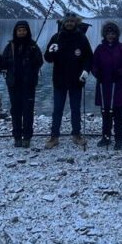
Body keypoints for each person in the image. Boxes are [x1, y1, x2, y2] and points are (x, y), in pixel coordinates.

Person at [43, 12, 94, 148]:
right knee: (57, 109)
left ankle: (76, 135)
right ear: (63, 23)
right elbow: (47, 58)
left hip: (76, 80)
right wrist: (51, 51)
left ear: (75, 23)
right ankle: (54, 137)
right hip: (59, 80)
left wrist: (86, 70)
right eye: (67, 21)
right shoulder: (56, 37)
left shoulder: (81, 38)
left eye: (72, 21)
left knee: (75, 108)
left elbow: (89, 57)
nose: (69, 23)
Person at [0, 20, 45, 148]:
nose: (22, 32)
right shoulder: (10, 46)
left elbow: (40, 62)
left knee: (28, 111)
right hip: (13, 84)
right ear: (15, 32)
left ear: (27, 31)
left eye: (24, 30)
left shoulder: (33, 46)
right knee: (15, 111)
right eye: (19, 30)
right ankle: (17, 137)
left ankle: (27, 137)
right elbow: (4, 65)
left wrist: (34, 57)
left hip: (29, 84)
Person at [91, 21, 122, 149]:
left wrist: (120, 72)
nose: (111, 36)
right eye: (108, 33)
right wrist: (97, 73)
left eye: (113, 33)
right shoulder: (99, 49)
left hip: (118, 85)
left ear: (117, 35)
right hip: (104, 86)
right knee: (105, 113)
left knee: (118, 113)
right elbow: (93, 64)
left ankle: (119, 138)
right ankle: (106, 136)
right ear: (104, 34)